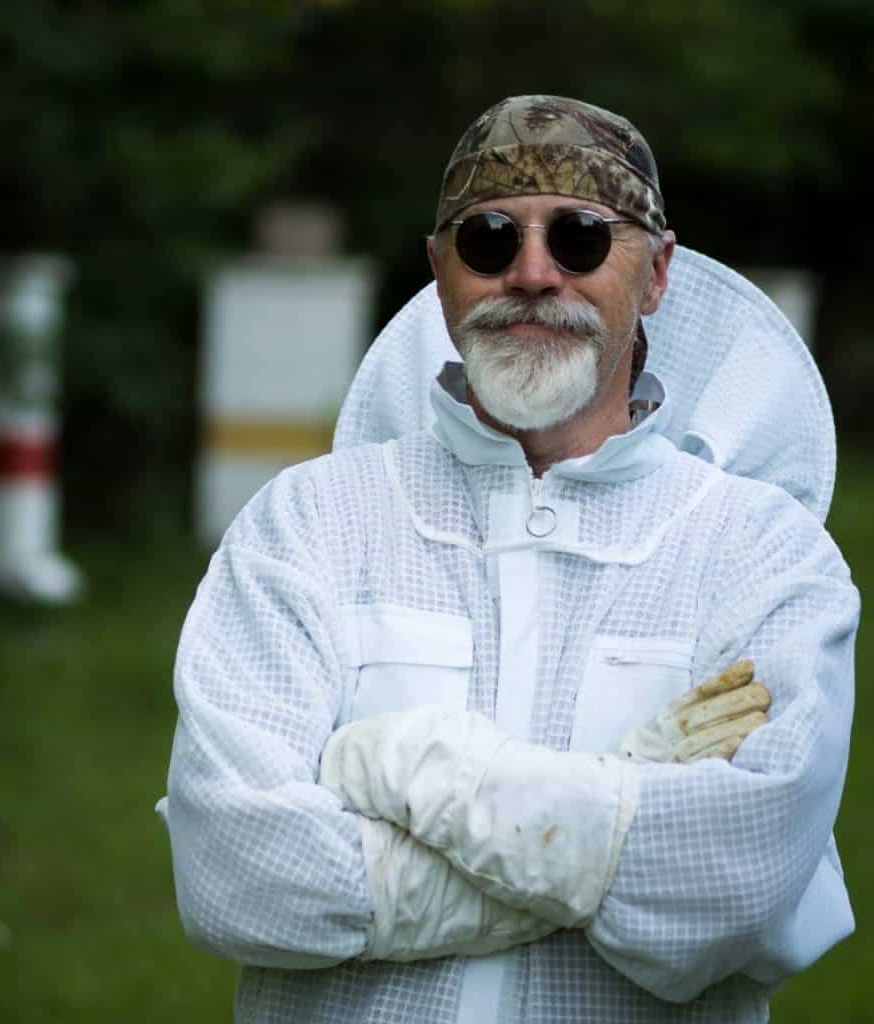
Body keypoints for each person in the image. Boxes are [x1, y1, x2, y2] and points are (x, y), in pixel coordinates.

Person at [157, 95, 858, 1023]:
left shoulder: (763, 554)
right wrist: (622, 827)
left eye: (580, 237)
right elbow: (239, 875)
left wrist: (411, 762)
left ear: (657, 273)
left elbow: (734, 891)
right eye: (489, 237)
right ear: (441, 270)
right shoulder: (307, 524)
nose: (533, 272)